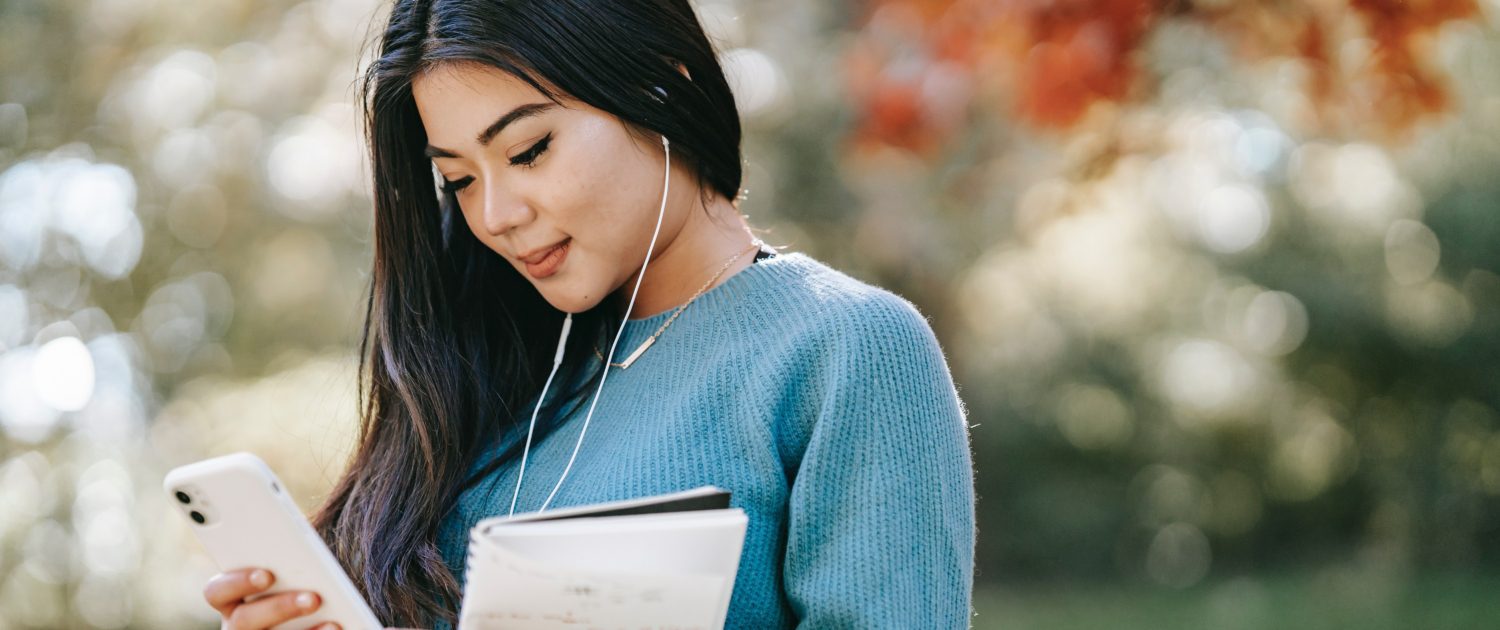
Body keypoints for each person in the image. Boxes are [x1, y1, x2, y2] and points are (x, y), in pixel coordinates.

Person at [201, 0, 975, 628]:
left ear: (659, 86)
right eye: (460, 181)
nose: (496, 214)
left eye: (529, 150)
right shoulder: (489, 371)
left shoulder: (848, 349)